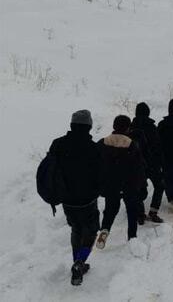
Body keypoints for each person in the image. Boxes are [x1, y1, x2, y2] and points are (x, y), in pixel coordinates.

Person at [46, 110, 102, 286]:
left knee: (76, 229)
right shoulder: (93, 148)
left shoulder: (58, 144)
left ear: (71, 125)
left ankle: (77, 261)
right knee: (91, 230)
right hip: (88, 200)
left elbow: (51, 169)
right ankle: (80, 261)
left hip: (67, 199)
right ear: (89, 126)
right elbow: (100, 175)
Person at [96, 115, 146, 249]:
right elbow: (139, 168)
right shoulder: (131, 145)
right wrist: (140, 185)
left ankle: (104, 231)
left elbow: (96, 165)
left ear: (114, 126)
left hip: (110, 185)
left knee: (110, 210)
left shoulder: (102, 143)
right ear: (128, 128)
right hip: (128, 185)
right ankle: (132, 238)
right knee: (131, 210)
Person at [130, 102, 165, 224]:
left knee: (139, 189)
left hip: (137, 165)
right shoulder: (151, 127)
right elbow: (158, 147)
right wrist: (161, 163)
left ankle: (140, 214)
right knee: (159, 186)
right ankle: (153, 212)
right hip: (152, 164)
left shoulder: (131, 128)